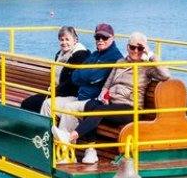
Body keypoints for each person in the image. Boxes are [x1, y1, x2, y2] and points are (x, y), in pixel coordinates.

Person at [66, 32, 171, 164]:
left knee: (100, 110)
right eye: (133, 47)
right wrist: (104, 96)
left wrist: (150, 53)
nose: (136, 51)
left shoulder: (146, 67)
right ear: (127, 47)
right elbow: (107, 84)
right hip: (113, 104)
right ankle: (91, 150)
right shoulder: (120, 62)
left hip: (131, 109)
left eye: (140, 48)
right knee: (91, 105)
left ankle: (70, 137)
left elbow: (166, 75)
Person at [22, 25, 87, 113]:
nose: (64, 42)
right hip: (56, 91)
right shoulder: (59, 54)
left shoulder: (80, 55)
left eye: (67, 39)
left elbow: (72, 83)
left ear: (75, 40)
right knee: (27, 102)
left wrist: (55, 92)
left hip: (70, 94)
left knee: (30, 103)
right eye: (61, 39)